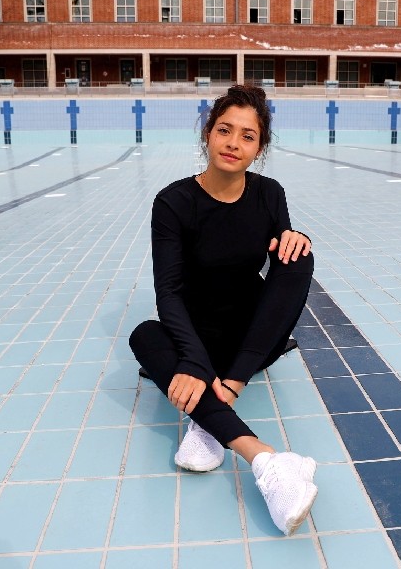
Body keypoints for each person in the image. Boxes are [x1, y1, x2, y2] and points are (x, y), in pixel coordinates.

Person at [129, 85, 317, 536]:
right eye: (225, 130)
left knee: (300, 255)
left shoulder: (270, 194)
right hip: (196, 335)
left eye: (247, 136)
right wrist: (192, 360)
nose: (233, 143)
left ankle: (214, 407)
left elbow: (279, 250)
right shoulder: (174, 202)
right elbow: (169, 292)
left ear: (259, 147)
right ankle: (267, 460)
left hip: (249, 344)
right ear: (208, 135)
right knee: (144, 336)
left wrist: (294, 236)